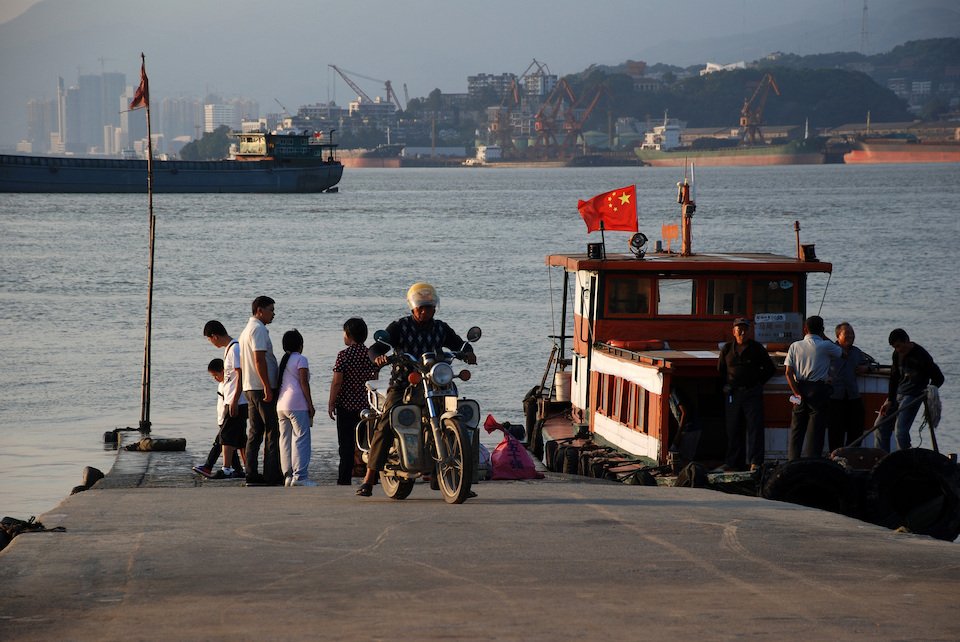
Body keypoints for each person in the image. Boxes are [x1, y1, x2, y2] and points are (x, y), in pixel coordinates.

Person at [356, 282, 476, 497]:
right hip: (404, 383)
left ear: (434, 308)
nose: (424, 311)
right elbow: (375, 348)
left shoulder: (441, 328)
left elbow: (459, 344)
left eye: (428, 307)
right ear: (413, 308)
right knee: (387, 420)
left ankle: (458, 477)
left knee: (461, 415)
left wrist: (468, 352)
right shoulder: (400, 327)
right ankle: (370, 476)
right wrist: (379, 357)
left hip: (434, 383)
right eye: (421, 308)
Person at [717, 317, 776, 472]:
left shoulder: (757, 348)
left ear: (749, 331)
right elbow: (721, 371)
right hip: (733, 394)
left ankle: (756, 462)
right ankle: (733, 462)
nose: (742, 332)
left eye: (745, 329)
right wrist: (725, 386)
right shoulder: (727, 349)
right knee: (733, 428)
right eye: (739, 329)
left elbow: (770, 369)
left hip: (752, 393)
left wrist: (758, 384)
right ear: (733, 332)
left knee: (755, 428)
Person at [785, 315, 843, 460]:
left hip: (799, 388)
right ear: (822, 330)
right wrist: (824, 336)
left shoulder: (795, 346)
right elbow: (842, 352)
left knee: (797, 430)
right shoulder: (825, 345)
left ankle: (792, 461)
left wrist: (796, 393)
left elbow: (788, 372)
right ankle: (812, 461)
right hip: (818, 390)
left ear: (805, 329)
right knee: (815, 431)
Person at [328, 318, 378, 486]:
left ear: (348, 335)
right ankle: (372, 477)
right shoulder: (371, 354)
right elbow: (374, 380)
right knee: (368, 444)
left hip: (346, 406)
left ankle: (344, 480)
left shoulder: (344, 355)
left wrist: (331, 403)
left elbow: (337, 382)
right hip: (366, 406)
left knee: (346, 447)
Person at [877, 328, 945, 452]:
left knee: (900, 431)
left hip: (913, 395)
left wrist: (929, 390)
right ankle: (882, 459)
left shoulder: (921, 355)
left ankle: (905, 460)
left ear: (907, 341)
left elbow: (939, 378)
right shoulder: (897, 354)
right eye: (894, 347)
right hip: (898, 393)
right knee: (880, 426)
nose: (898, 350)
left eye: (899, 346)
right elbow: (894, 378)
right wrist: (890, 400)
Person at [239, 296, 282, 486]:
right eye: (271, 309)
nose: (273, 313)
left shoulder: (246, 330)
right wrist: (267, 385)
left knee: (255, 431)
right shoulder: (258, 329)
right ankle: (271, 474)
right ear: (259, 310)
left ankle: (251, 473)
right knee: (272, 430)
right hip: (260, 386)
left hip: (250, 386)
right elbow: (259, 359)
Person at [201, 320, 248, 479]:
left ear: (214, 336)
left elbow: (240, 374)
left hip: (236, 400)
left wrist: (234, 400)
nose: (210, 342)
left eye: (209, 339)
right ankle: (246, 469)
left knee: (226, 437)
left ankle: (226, 468)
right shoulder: (229, 349)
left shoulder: (235, 348)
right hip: (233, 399)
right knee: (239, 439)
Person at [276, 329, 316, 487]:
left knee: (285, 440)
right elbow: (303, 383)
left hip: (281, 405)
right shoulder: (301, 359)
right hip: (297, 403)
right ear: (300, 345)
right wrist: (310, 405)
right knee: (301, 439)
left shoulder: (284, 360)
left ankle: (288, 475)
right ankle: (300, 477)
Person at [826, 322, 873, 452]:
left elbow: (870, 364)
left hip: (853, 396)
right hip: (835, 397)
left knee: (857, 428)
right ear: (838, 336)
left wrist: (867, 368)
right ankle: (836, 457)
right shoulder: (830, 351)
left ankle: (851, 454)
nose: (851, 336)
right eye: (847, 334)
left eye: (852, 334)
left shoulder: (856, 352)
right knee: (836, 431)